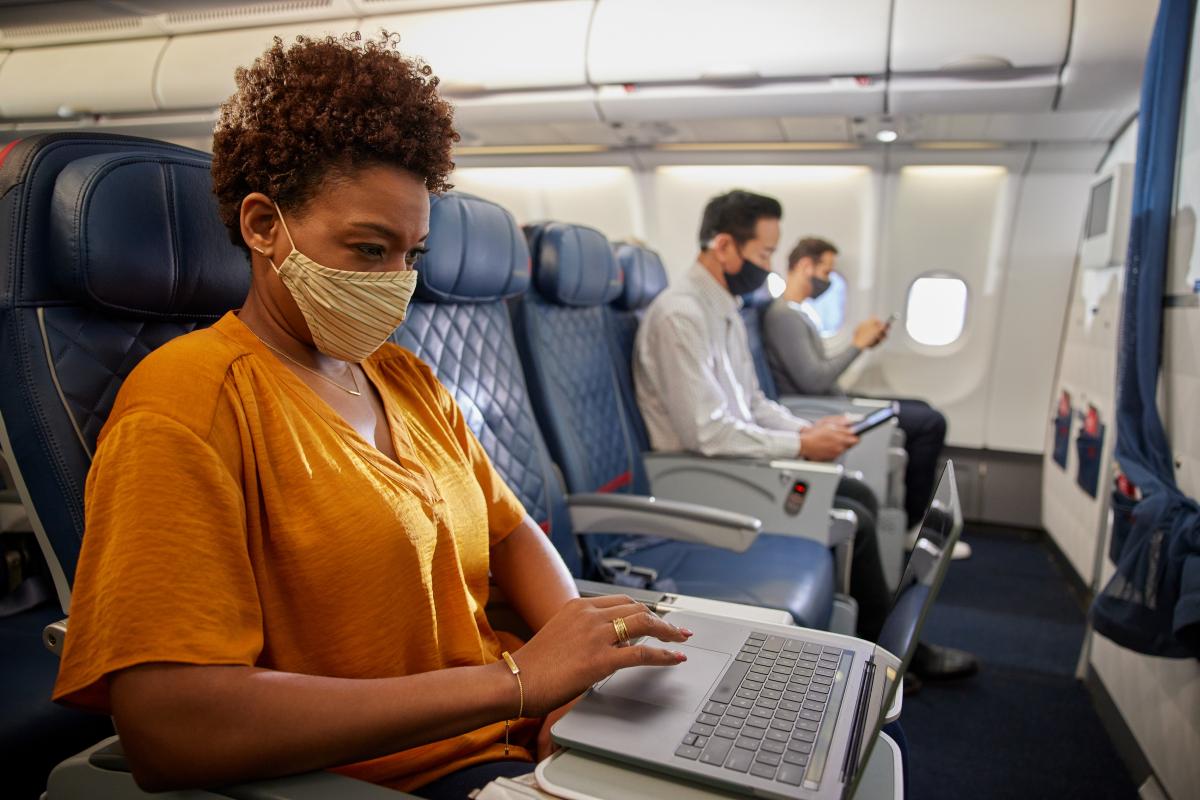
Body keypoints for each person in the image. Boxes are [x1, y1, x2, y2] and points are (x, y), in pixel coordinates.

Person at [51, 34, 691, 798]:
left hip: (527, 739)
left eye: (411, 256)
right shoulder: (188, 403)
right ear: (263, 226)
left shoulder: (402, 376)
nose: (396, 284)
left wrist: (579, 671)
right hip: (410, 778)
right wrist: (519, 681)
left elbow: (511, 530)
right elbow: (171, 725)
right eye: (367, 249)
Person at [633, 190, 977, 685]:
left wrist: (807, 430)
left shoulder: (722, 307)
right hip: (696, 475)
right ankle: (893, 661)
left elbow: (751, 404)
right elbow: (706, 432)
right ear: (725, 246)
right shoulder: (681, 314)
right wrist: (800, 448)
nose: (770, 265)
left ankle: (888, 652)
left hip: (729, 459)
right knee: (853, 512)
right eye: (765, 253)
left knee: (856, 494)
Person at [763, 237, 963, 558]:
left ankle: (912, 519)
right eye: (826, 271)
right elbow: (814, 380)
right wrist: (857, 344)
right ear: (805, 266)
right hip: (816, 407)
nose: (827, 281)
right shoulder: (784, 315)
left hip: (832, 400)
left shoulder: (801, 312)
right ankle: (912, 525)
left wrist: (863, 344)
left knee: (923, 410)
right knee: (930, 423)